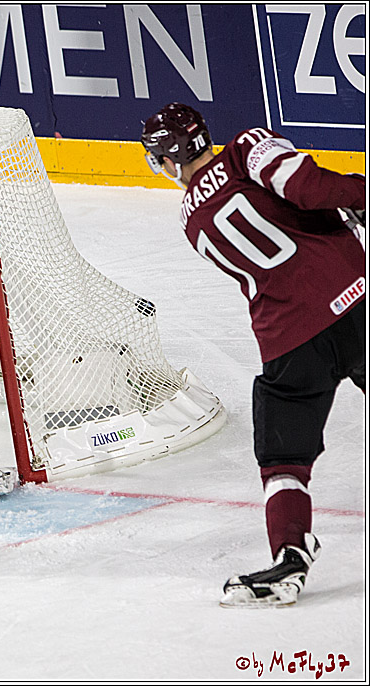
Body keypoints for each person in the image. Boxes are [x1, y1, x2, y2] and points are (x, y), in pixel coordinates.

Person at [140, 103, 365, 607]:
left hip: (291, 339)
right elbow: (308, 188)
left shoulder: (192, 221)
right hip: (358, 298)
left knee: (283, 459)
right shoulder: (245, 149)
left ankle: (291, 554)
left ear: (171, 157)